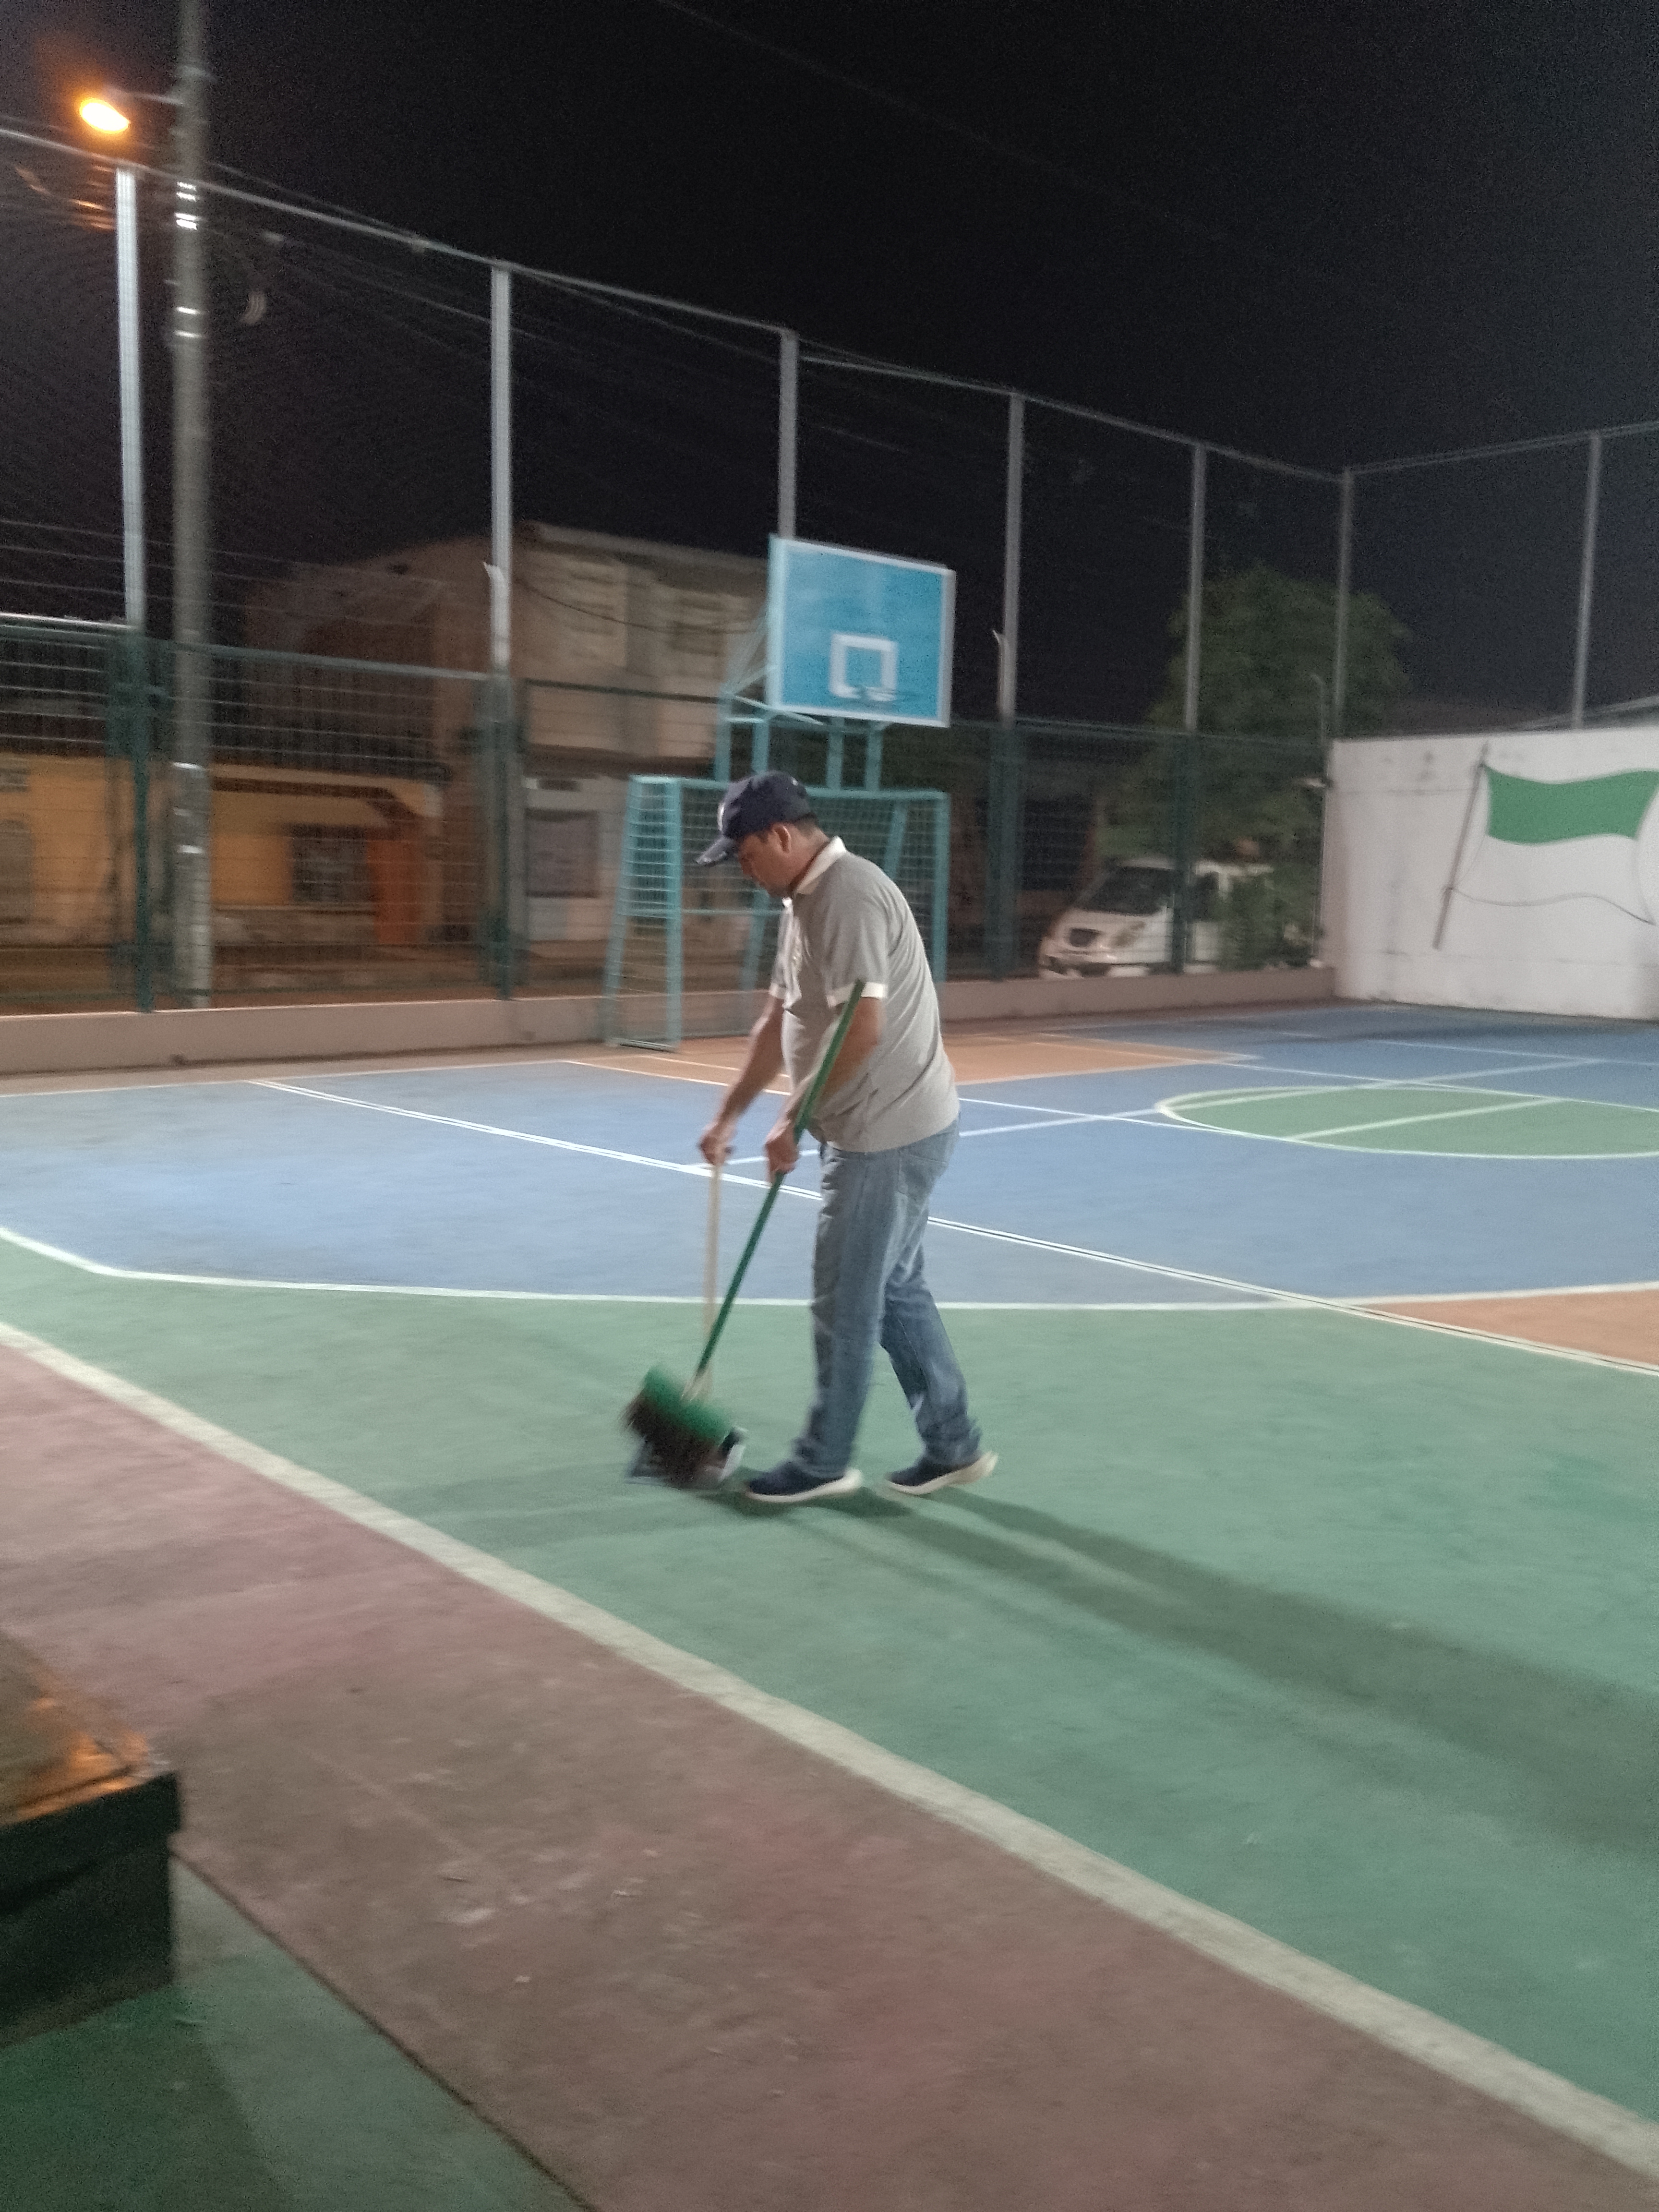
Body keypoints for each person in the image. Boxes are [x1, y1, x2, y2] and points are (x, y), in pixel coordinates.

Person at [696, 770, 995, 1506]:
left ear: (781, 836)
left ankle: (824, 1461)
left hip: (884, 1133)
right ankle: (954, 1445)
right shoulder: (801, 902)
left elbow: (863, 1026)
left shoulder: (849, 895)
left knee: (846, 1303)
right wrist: (731, 1113)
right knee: (892, 1291)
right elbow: (780, 1020)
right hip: (877, 1126)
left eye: (745, 855)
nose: (743, 870)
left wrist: (791, 1118)